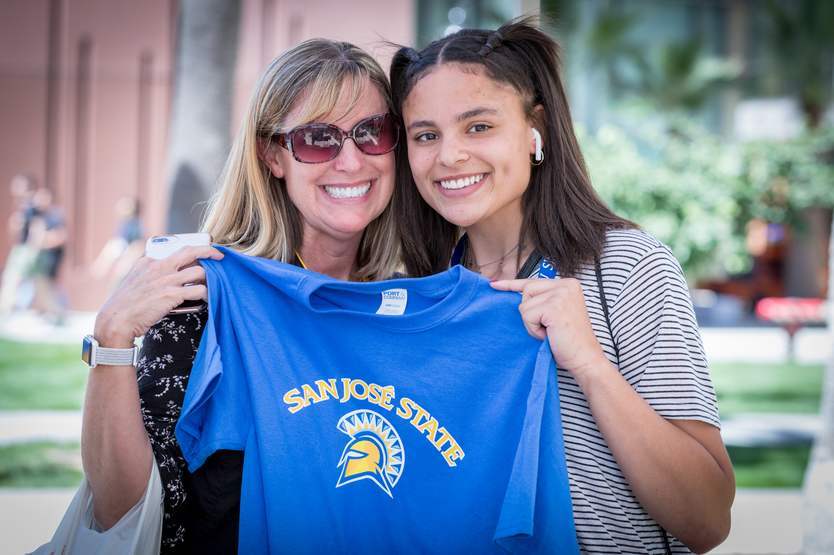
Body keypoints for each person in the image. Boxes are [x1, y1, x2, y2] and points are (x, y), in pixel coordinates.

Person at [389, 18, 735, 554]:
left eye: (478, 126)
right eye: (425, 135)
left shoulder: (626, 267)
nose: (449, 155)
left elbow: (708, 519)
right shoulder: (416, 292)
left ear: (536, 130)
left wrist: (592, 365)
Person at [81, 38, 400, 553]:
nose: (350, 159)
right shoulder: (205, 299)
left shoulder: (411, 303)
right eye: (319, 138)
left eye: (371, 132)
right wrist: (112, 337)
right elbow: (121, 510)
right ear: (273, 155)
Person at [0, 173, 39, 313]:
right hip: (21, 247)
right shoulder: (23, 204)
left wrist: (32, 248)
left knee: (13, 278)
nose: (13, 187)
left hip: (25, 248)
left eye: (18, 184)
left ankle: (7, 309)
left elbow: (35, 227)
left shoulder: (31, 206)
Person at [28, 187, 67, 324]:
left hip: (51, 257)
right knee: (41, 286)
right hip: (42, 258)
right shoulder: (38, 215)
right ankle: (49, 313)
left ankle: (60, 314)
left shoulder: (55, 215)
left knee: (50, 287)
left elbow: (61, 236)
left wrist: (42, 242)